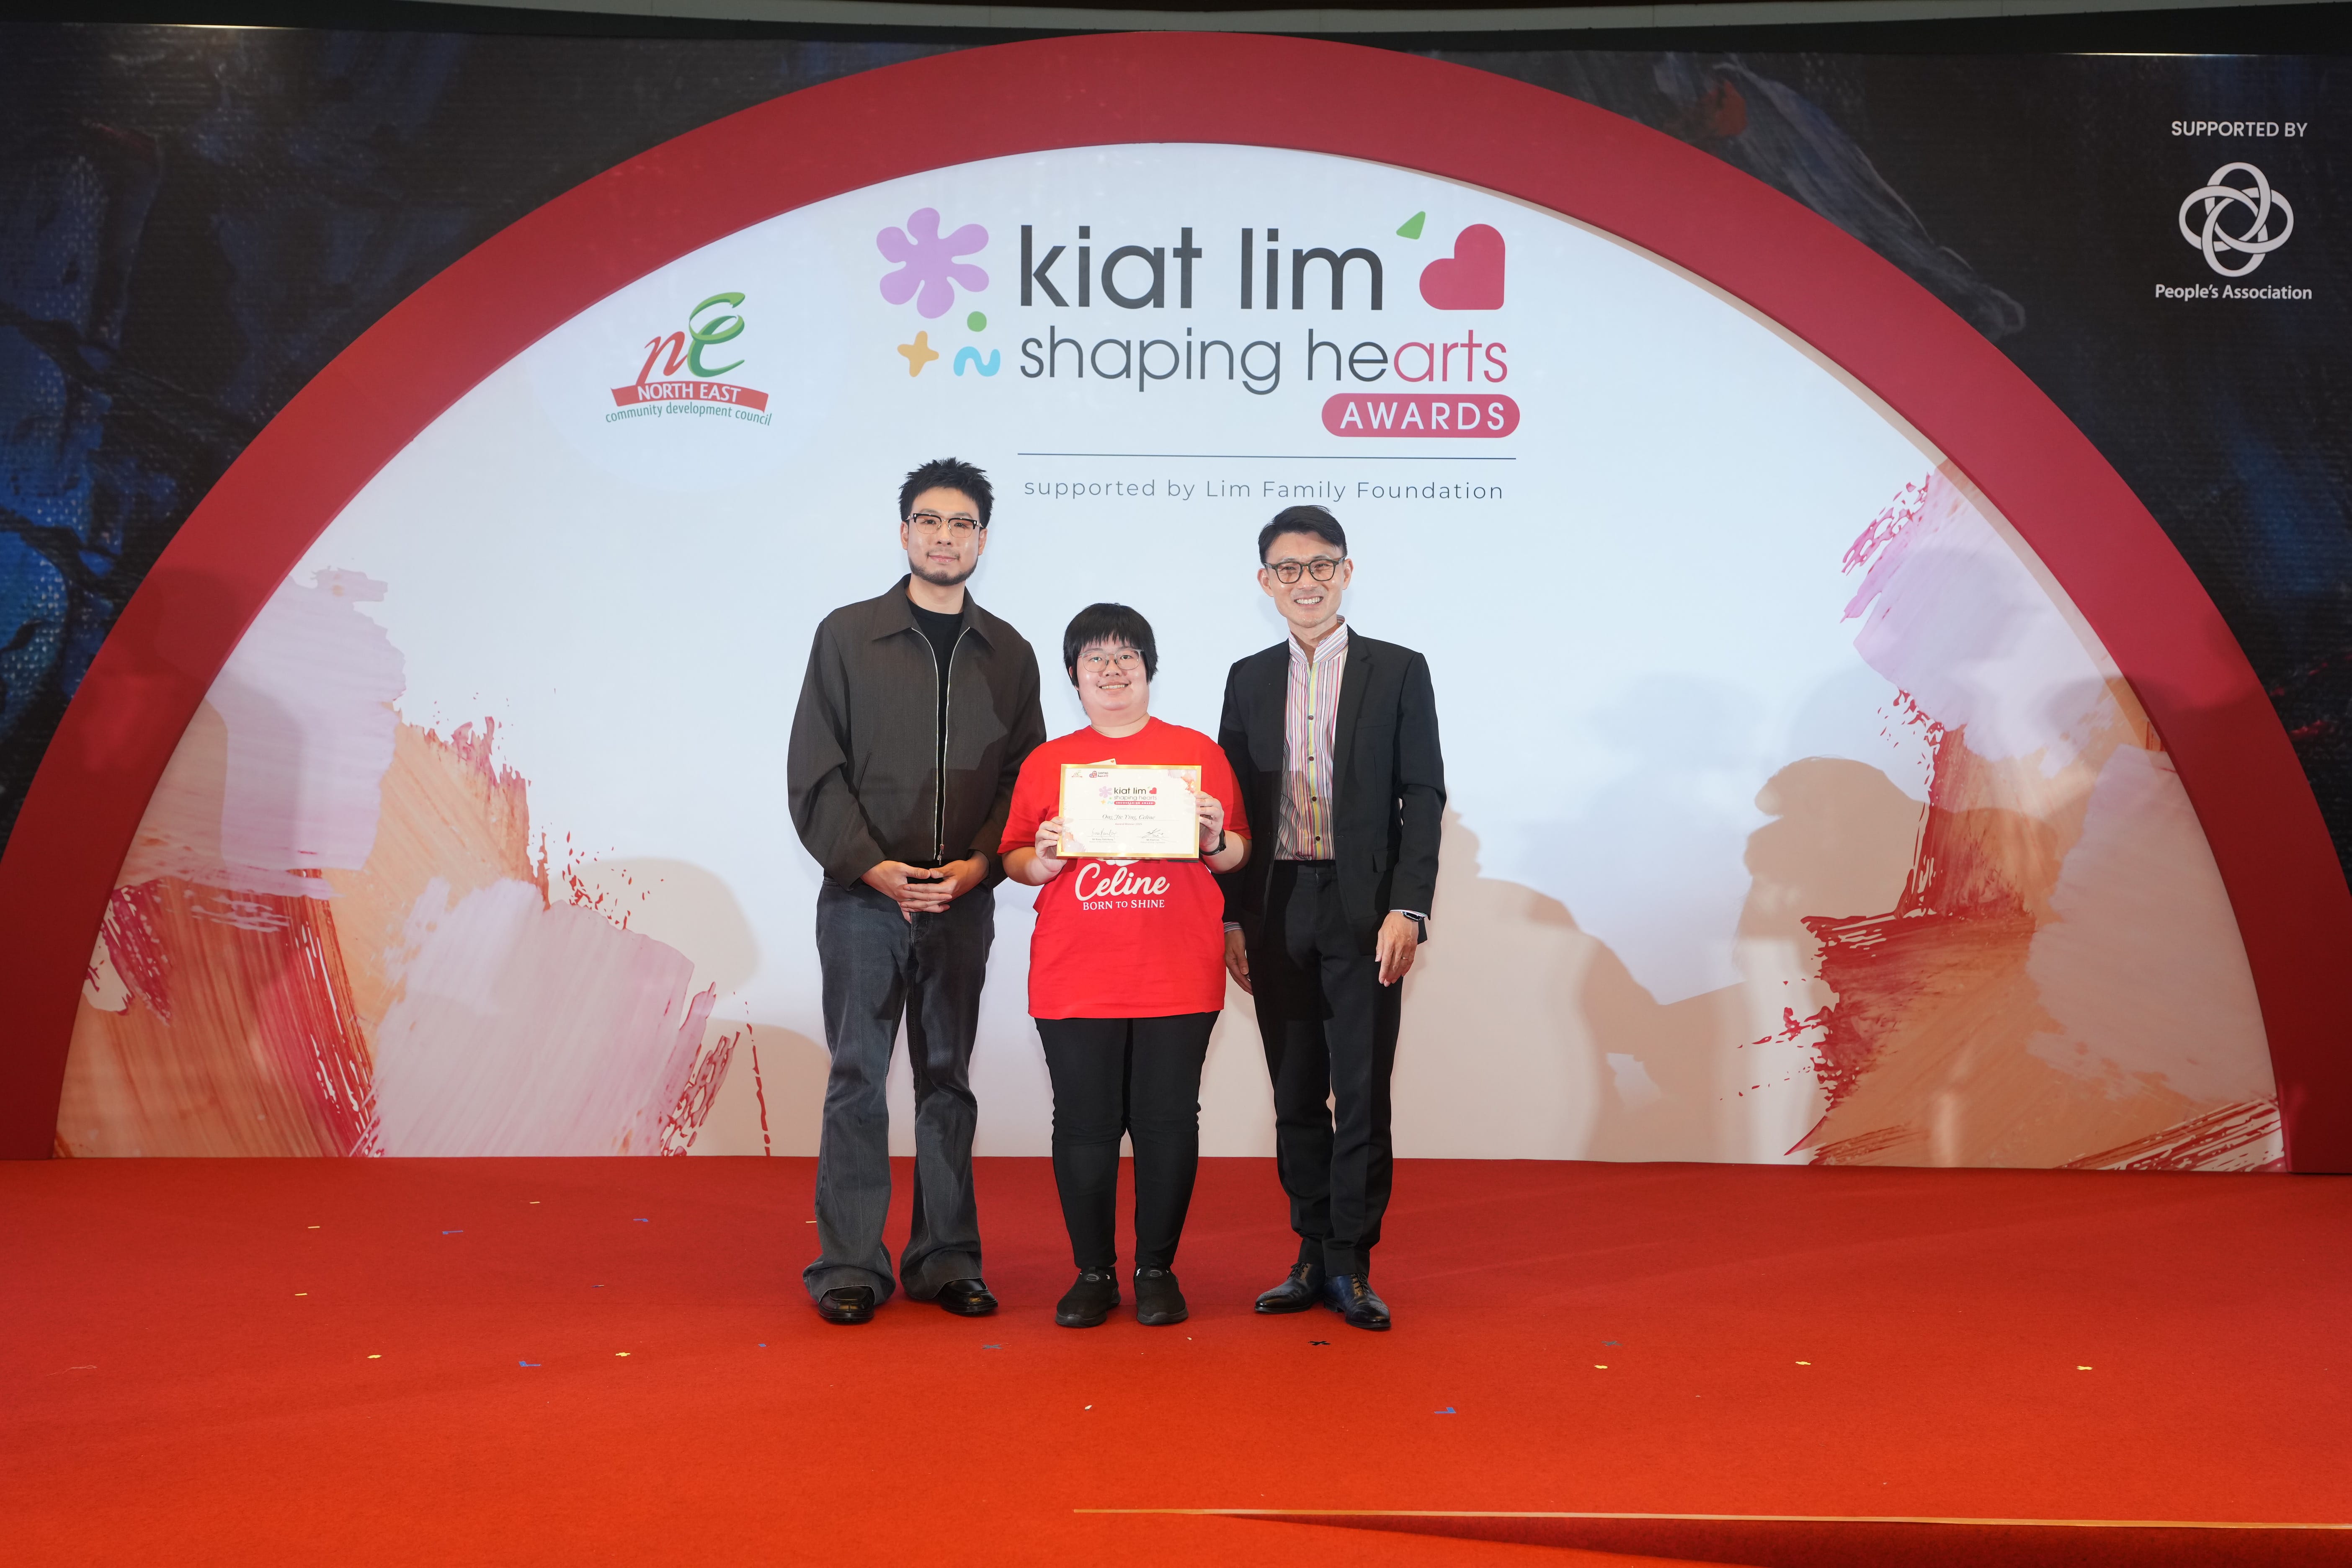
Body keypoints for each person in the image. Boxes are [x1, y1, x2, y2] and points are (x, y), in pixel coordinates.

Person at [786, 457, 1045, 1326]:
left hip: (962, 900)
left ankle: (946, 1258)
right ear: (904, 532)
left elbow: (1023, 782)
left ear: (982, 539)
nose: (945, 537)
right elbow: (815, 769)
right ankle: (849, 1266)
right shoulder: (847, 636)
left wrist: (979, 866)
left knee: (947, 1080)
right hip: (864, 900)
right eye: (929, 521)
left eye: (962, 524)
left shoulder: (1009, 653)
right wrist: (871, 866)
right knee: (857, 1078)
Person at [1216, 505, 1444, 1332]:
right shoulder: (1247, 678)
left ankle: (1351, 1260)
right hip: (1276, 906)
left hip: (1363, 909)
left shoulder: (1399, 670)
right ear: (1265, 581)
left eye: (1320, 566)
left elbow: (1422, 795)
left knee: (1361, 1090)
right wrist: (1232, 922)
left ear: (1346, 573)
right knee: (1294, 1092)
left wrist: (1407, 908)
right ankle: (1310, 1251)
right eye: (1288, 569)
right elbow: (1233, 809)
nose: (1304, 582)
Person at [1001, 604, 1251, 1329]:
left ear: (1149, 668)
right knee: (1084, 1124)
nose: (1112, 671)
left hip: (1177, 970)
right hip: (1076, 974)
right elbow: (1015, 858)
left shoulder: (1196, 754)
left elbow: (1238, 851)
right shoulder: (1049, 762)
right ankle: (1094, 1273)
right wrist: (1045, 858)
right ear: (1073, 675)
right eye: (1095, 659)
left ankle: (1156, 1270)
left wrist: (1214, 839)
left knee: (1168, 1122)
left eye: (1127, 657)